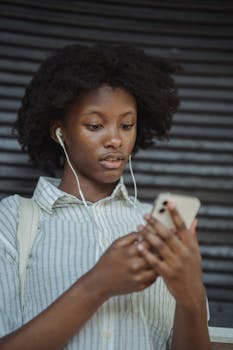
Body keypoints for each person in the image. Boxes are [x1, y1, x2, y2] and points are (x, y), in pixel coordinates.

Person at [0, 44, 210, 350]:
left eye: (127, 125)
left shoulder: (157, 231)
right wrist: (97, 285)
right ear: (60, 132)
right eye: (95, 125)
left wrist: (191, 300)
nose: (115, 139)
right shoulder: (15, 220)